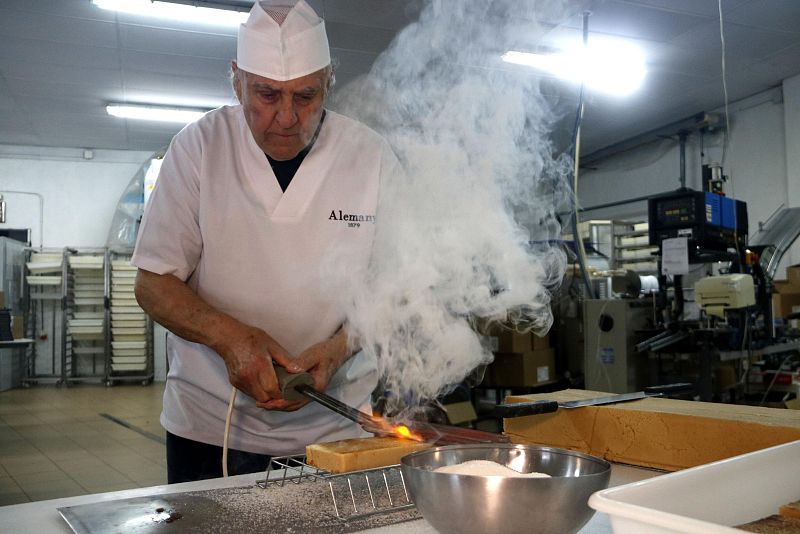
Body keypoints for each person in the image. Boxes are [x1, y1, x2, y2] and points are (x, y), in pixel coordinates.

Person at [132, 0, 398, 483]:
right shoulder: (198, 149)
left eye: (306, 96)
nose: (287, 117)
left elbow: (396, 287)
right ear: (236, 81)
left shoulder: (371, 157)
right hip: (214, 426)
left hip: (338, 426)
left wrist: (339, 348)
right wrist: (232, 339)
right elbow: (153, 284)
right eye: (267, 95)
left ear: (329, 83)